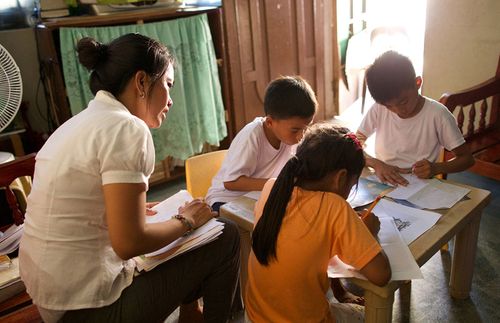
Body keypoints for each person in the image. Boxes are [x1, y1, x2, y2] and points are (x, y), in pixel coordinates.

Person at [19, 33, 240, 323]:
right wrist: (186, 221)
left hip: (54, 298)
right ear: (141, 82)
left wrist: (121, 212)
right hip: (91, 308)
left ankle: (190, 313)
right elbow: (128, 244)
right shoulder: (128, 128)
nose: (171, 101)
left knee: (184, 232)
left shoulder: (77, 124)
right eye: (168, 85)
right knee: (225, 233)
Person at [245, 124, 391, 323]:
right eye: (353, 185)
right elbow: (381, 275)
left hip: (255, 317)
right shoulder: (334, 207)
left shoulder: (273, 188)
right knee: (372, 316)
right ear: (340, 178)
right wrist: (370, 232)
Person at [356, 50, 474, 186]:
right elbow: (355, 142)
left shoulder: (438, 114)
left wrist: (436, 168)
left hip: (419, 184)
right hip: (382, 179)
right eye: (389, 106)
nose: (398, 110)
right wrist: (375, 163)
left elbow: (467, 159)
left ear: (418, 82)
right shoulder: (379, 108)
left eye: (403, 102)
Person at [205, 75, 317, 211]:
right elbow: (231, 182)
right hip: (226, 200)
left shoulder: (288, 135)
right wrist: (278, 184)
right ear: (270, 122)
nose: (302, 135)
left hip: (258, 196)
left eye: (307, 127)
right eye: (295, 130)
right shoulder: (252, 135)